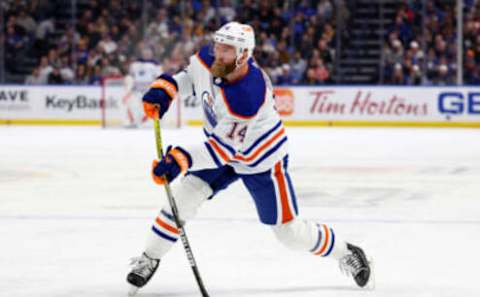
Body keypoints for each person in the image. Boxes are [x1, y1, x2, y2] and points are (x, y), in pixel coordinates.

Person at [127, 22, 372, 294]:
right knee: (181, 201)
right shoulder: (211, 58)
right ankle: (150, 256)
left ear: (244, 55)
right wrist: (168, 89)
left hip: (261, 161)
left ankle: (346, 252)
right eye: (218, 45)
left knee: (288, 233)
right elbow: (190, 78)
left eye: (227, 50)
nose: (218, 53)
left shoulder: (248, 93)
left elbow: (221, 150)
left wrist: (179, 159)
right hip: (223, 150)